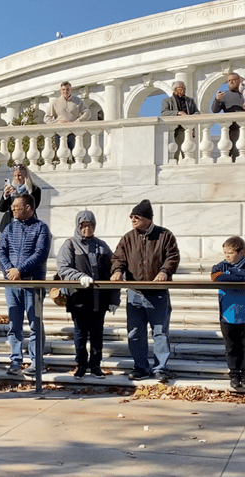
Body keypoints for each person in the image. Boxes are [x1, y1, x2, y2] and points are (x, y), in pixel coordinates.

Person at [111, 199, 180, 381]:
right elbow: (118, 257)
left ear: (148, 219)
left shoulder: (165, 236)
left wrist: (165, 272)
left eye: (137, 217)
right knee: (135, 332)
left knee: (160, 332)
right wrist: (118, 271)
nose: (133, 220)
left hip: (157, 293)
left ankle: (161, 368)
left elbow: (172, 256)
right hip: (135, 292)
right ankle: (140, 367)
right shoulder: (128, 238)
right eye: (131, 217)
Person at [56, 211, 120, 379]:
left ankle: (96, 365)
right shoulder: (70, 244)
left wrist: (114, 297)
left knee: (97, 332)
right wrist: (79, 277)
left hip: (99, 298)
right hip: (79, 297)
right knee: (80, 333)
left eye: (90, 225)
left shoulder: (102, 246)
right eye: (84, 225)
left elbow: (114, 269)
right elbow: (63, 268)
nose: (87, 229)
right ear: (78, 226)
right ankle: (81, 365)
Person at [0, 194, 51, 376]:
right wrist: (9, 270)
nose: (12, 209)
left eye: (16, 207)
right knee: (14, 324)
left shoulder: (41, 228)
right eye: (12, 207)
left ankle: (37, 362)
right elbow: (1, 252)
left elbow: (40, 254)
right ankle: (15, 360)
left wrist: (20, 270)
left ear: (29, 208)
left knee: (35, 323)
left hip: (32, 283)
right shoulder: (9, 228)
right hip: (12, 284)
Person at [210, 236, 245, 390]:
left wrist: (231, 279)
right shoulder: (221, 266)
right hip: (227, 315)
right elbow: (215, 276)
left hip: (244, 314)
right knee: (231, 347)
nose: (226, 256)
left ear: (241, 252)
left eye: (230, 253)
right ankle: (234, 374)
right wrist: (237, 279)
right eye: (224, 253)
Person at [44, 81, 90, 152]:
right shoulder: (55, 102)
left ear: (71, 90)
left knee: (77, 154)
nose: (65, 91)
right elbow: (46, 118)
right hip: (60, 132)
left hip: (74, 132)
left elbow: (87, 113)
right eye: (63, 89)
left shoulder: (77, 101)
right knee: (62, 155)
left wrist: (77, 122)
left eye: (68, 89)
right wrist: (58, 122)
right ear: (60, 91)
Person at [160, 80, 200, 160]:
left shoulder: (190, 101)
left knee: (189, 155)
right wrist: (178, 113)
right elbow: (164, 113)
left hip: (188, 129)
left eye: (184, 88)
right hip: (175, 131)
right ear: (175, 89)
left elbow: (197, 112)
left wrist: (193, 116)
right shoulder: (167, 101)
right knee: (174, 154)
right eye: (181, 88)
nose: (184, 90)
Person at [0, 163, 41, 233]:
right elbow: (1, 208)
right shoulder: (11, 188)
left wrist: (17, 195)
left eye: (19, 175)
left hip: (27, 225)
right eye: (15, 176)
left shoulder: (35, 190)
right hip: (9, 225)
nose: (17, 178)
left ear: (25, 175)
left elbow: (33, 206)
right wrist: (5, 196)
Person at [211, 72, 244, 160]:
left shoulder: (243, 94)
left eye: (233, 80)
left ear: (239, 81)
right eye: (229, 80)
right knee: (235, 153)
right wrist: (217, 100)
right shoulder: (224, 96)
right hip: (232, 129)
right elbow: (215, 110)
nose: (231, 82)